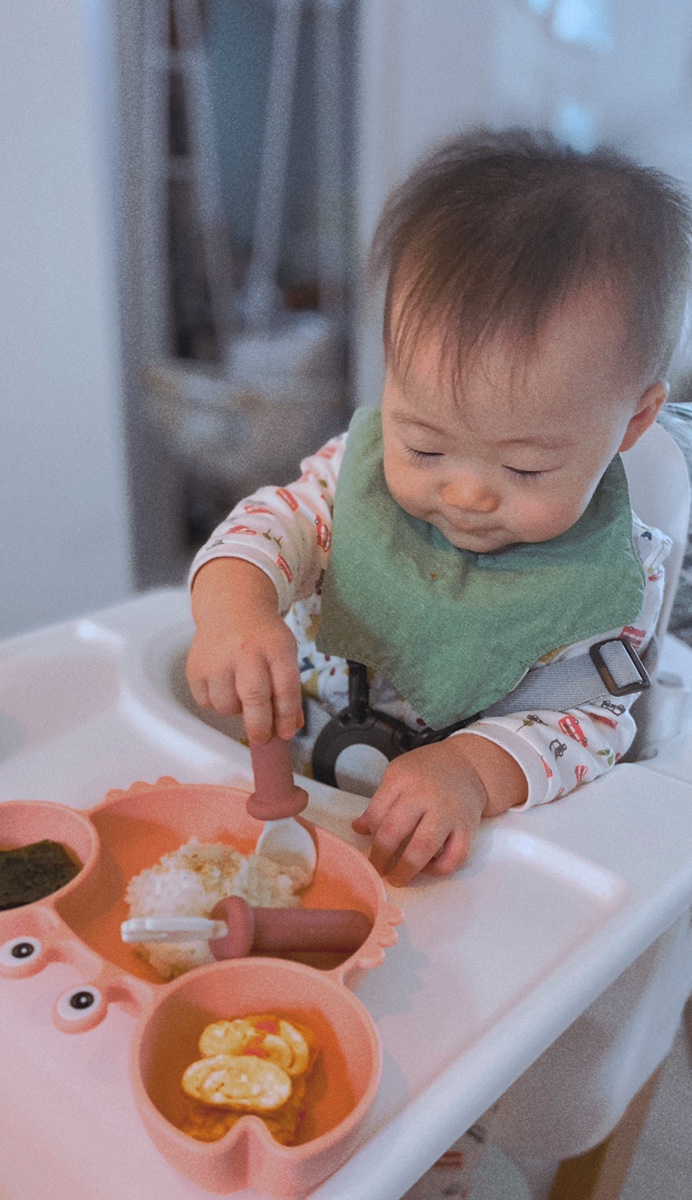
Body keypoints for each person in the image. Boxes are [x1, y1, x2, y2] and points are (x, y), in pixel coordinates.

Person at [187, 126, 692, 891]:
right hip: (288, 798)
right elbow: (271, 528)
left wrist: (469, 770)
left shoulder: (614, 574)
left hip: (457, 861)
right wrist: (235, 614)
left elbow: (586, 723)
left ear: (631, 423)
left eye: (524, 466)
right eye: (424, 446)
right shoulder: (352, 481)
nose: (465, 493)